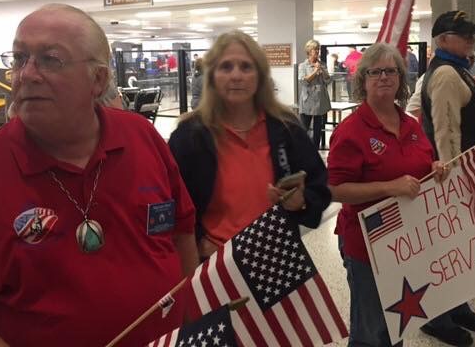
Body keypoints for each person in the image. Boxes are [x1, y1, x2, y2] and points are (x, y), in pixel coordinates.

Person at [0, 4, 198, 347]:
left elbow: (181, 232)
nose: (27, 74)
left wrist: (191, 326)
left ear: (98, 79)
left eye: (50, 59)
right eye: (20, 59)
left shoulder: (142, 137)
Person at [168, 30, 331, 260]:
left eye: (246, 67)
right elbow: (173, 208)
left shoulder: (287, 129)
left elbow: (320, 186)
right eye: (226, 67)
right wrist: (194, 247)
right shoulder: (189, 136)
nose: (236, 75)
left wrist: (301, 201)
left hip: (276, 260)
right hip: (215, 264)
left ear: (260, 76)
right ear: (212, 76)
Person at [328, 43, 448, 347]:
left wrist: (435, 168)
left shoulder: (411, 124)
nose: (383, 77)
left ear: (400, 78)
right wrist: (389, 187)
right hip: (367, 244)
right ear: (363, 80)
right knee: (371, 330)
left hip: (409, 239)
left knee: (397, 321)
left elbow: (420, 165)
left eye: (391, 70)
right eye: (375, 71)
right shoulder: (351, 129)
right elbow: (334, 189)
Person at [420, 10, 475, 346]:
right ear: (443, 40)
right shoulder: (448, 74)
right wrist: (451, 179)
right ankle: (437, 316)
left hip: (468, 175)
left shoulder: (459, 72)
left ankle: (458, 304)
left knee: (460, 247)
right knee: (446, 250)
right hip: (454, 177)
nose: (471, 39)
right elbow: (446, 131)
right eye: (465, 35)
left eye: (472, 34)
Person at [298, 39, 331, 148]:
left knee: (318, 128)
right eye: (314, 49)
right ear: (309, 51)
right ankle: (302, 148)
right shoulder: (303, 66)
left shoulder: (322, 64)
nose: (317, 51)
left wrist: (323, 71)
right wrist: (315, 71)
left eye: (318, 49)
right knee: (304, 127)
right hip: (308, 99)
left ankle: (315, 149)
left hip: (320, 100)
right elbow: (303, 81)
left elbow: (328, 81)